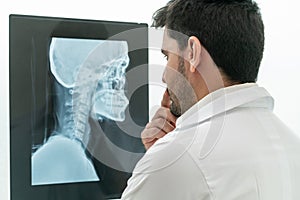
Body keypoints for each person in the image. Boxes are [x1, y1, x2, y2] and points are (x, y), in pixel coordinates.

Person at [121, 0, 300, 199]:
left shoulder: (176, 160)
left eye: (167, 56)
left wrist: (160, 162)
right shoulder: (292, 145)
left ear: (192, 52)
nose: (164, 76)